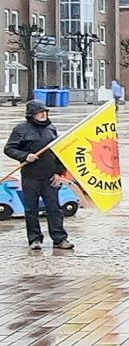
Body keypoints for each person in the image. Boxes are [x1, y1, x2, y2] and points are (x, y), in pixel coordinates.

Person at [3, 100, 74, 250]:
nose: (43, 114)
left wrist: (59, 173)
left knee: (54, 209)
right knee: (31, 210)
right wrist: (24, 156)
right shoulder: (20, 130)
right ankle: (35, 239)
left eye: (45, 112)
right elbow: (9, 149)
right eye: (40, 112)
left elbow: (60, 154)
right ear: (31, 114)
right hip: (30, 177)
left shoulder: (51, 129)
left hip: (50, 178)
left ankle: (59, 239)